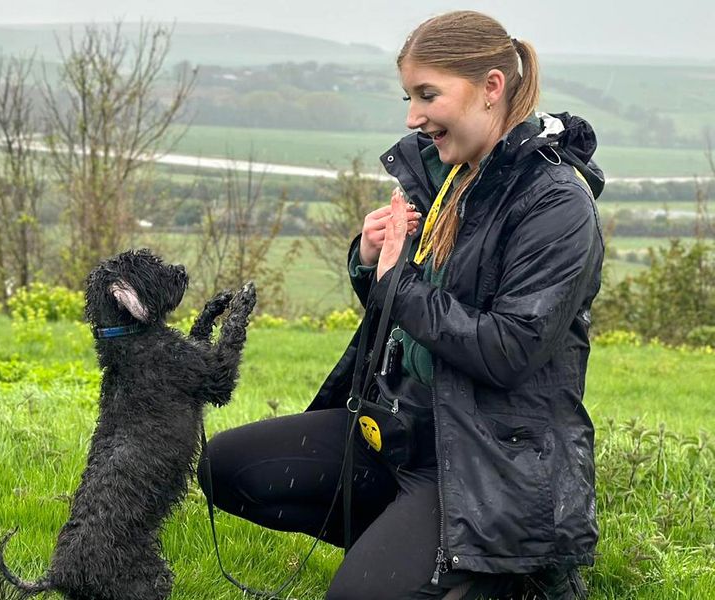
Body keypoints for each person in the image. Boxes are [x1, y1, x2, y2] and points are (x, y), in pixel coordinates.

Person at [198, 10, 604, 600]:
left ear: (491, 87)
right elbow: (408, 319)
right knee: (226, 467)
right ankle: (418, 549)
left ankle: (504, 570)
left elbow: (509, 351)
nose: (412, 116)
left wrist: (399, 285)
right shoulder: (445, 174)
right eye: (408, 96)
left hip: (484, 459)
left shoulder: (554, 202)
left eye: (427, 95)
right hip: (400, 430)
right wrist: (369, 263)